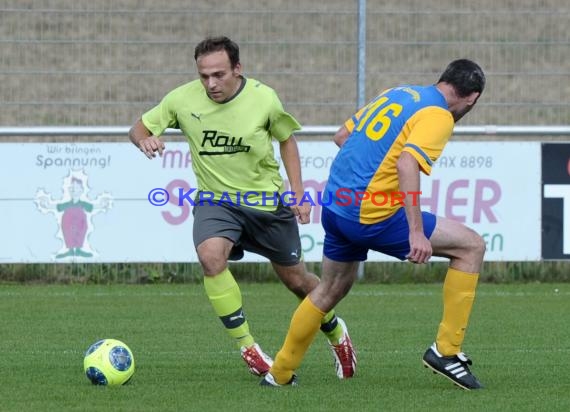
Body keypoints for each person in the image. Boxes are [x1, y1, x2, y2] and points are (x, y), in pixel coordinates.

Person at [128, 36, 356, 379]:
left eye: (219, 74)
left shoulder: (264, 98)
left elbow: (287, 141)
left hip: (265, 203)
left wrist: (297, 194)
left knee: (298, 282)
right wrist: (144, 138)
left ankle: (337, 334)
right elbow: (139, 127)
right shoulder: (181, 99)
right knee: (210, 257)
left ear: (238, 69)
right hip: (216, 201)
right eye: (204, 75)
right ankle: (248, 347)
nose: (211, 83)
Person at [261, 59, 486, 389]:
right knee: (471, 246)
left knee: (330, 289)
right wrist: (415, 232)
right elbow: (407, 164)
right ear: (472, 98)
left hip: (337, 206)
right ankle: (447, 351)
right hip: (371, 214)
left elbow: (342, 136)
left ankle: (279, 373)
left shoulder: (400, 93)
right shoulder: (439, 115)